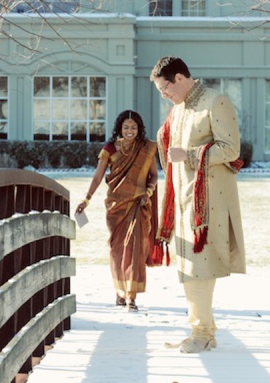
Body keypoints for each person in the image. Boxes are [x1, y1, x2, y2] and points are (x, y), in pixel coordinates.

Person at [150, 56, 246, 353]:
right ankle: (204, 331)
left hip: (207, 202)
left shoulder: (215, 102)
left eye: (165, 88)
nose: (164, 95)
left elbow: (231, 149)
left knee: (198, 266)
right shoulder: (180, 109)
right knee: (189, 267)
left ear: (179, 78)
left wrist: (190, 155)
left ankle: (201, 333)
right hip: (181, 197)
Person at [76, 110, 159, 312]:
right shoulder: (110, 149)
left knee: (135, 248)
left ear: (139, 129)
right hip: (116, 206)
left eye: (134, 127)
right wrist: (86, 199)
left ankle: (131, 296)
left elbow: (154, 176)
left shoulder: (146, 148)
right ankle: (119, 290)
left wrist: (148, 191)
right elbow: (97, 177)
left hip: (138, 204)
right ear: (119, 129)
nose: (130, 131)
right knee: (118, 250)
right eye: (126, 127)